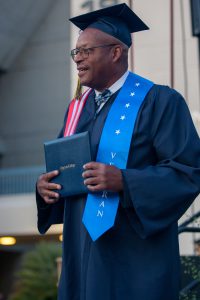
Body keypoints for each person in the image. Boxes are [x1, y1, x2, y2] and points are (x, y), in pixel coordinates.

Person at [36, 3, 200, 300]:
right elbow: (67, 172)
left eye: (86, 51)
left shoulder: (160, 101)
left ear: (115, 52)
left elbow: (187, 173)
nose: (78, 59)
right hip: (81, 255)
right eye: (76, 52)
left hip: (134, 261)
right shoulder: (77, 110)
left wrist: (125, 181)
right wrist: (46, 187)